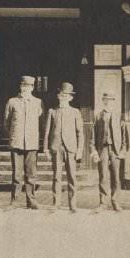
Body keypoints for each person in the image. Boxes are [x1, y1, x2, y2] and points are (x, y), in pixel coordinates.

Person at [43, 82, 85, 212]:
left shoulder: (75, 112)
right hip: (56, 148)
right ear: (58, 95)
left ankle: (72, 204)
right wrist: (45, 148)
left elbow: (80, 133)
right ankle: (56, 203)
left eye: (66, 95)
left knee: (72, 176)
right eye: (62, 94)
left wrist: (79, 150)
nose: (64, 97)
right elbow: (47, 131)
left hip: (70, 148)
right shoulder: (52, 111)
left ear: (71, 98)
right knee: (56, 176)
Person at [3, 75, 43, 209]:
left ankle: (31, 200)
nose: (26, 88)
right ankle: (14, 201)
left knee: (31, 174)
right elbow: (7, 123)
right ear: (20, 87)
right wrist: (15, 135)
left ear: (32, 88)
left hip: (31, 143)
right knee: (16, 174)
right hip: (17, 142)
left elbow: (42, 122)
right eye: (23, 86)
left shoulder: (38, 102)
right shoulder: (12, 102)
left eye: (29, 86)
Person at [89, 91, 128, 212]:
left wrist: (123, 150)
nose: (108, 102)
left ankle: (115, 201)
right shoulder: (98, 116)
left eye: (111, 99)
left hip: (115, 150)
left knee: (116, 176)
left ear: (113, 101)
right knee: (103, 176)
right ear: (103, 101)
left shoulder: (119, 116)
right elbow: (92, 136)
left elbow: (124, 135)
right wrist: (93, 151)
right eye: (106, 99)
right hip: (103, 149)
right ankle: (103, 203)